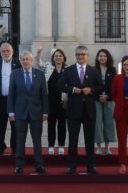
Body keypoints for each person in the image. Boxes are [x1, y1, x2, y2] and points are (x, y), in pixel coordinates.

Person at [60, 45, 102, 174]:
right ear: (75, 55)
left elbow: (100, 86)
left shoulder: (94, 71)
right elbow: (60, 85)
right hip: (73, 110)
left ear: (87, 56)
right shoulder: (68, 70)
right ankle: (72, 165)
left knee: (89, 139)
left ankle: (91, 165)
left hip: (89, 110)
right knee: (73, 138)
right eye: (78, 54)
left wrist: (91, 90)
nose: (80, 57)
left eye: (83, 54)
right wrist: (72, 89)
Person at [8, 51, 48, 174]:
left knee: (37, 140)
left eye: (27, 59)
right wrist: (10, 112)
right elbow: (11, 94)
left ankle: (39, 165)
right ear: (20, 61)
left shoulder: (40, 74)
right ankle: (19, 165)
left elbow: (44, 95)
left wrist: (45, 112)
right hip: (20, 112)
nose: (25, 61)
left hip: (36, 112)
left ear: (32, 61)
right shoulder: (15, 74)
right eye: (23, 59)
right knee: (20, 140)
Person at [0, 42, 20, 155]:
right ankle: (0, 146)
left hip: (15, 101)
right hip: (1, 100)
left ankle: (15, 147)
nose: (6, 53)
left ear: (12, 52)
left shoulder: (18, 63)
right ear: (0, 52)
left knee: (15, 125)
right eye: (3, 51)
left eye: (8, 51)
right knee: (0, 125)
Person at [93, 48, 117, 156]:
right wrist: (99, 96)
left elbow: (115, 86)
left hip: (109, 100)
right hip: (96, 100)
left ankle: (107, 147)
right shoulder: (93, 70)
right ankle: (98, 147)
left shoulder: (112, 70)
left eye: (104, 56)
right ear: (97, 58)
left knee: (109, 122)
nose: (102, 58)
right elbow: (91, 85)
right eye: (100, 56)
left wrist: (108, 96)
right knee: (97, 123)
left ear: (108, 58)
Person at [46, 48, 68, 155]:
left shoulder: (67, 70)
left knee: (62, 125)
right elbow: (37, 63)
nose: (58, 57)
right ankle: (50, 145)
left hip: (63, 102)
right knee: (51, 124)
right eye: (56, 56)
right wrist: (39, 53)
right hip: (51, 101)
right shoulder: (49, 69)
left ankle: (61, 145)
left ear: (63, 58)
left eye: (60, 56)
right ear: (53, 58)